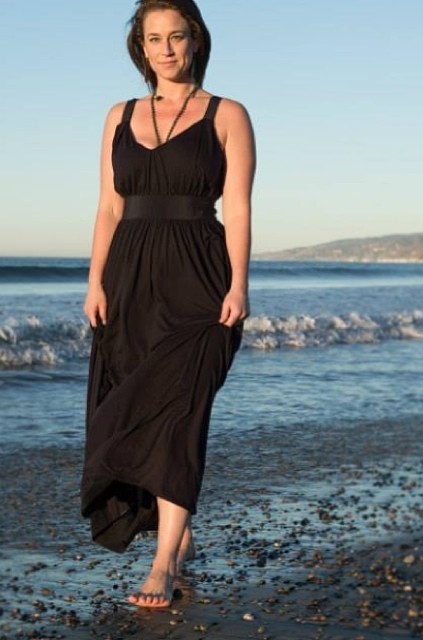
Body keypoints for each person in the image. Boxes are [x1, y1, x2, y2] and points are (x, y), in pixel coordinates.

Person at [81, 0, 255, 609]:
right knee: (131, 412)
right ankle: (174, 527)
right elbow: (109, 207)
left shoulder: (228, 114)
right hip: (128, 281)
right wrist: (94, 281)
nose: (166, 49)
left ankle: (163, 564)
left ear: (196, 39)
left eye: (176, 36)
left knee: (181, 414)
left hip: (200, 281)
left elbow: (238, 208)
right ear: (141, 46)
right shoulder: (119, 115)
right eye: (153, 39)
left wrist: (238, 284)